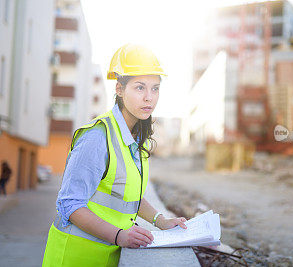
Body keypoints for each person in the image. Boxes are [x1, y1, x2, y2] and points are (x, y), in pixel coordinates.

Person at [42, 44, 187, 266]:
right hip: (73, 256)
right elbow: (69, 204)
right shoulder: (97, 137)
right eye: (140, 88)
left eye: (155, 88)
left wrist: (161, 220)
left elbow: (127, 198)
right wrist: (119, 236)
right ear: (119, 89)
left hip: (106, 257)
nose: (149, 97)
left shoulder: (134, 138)